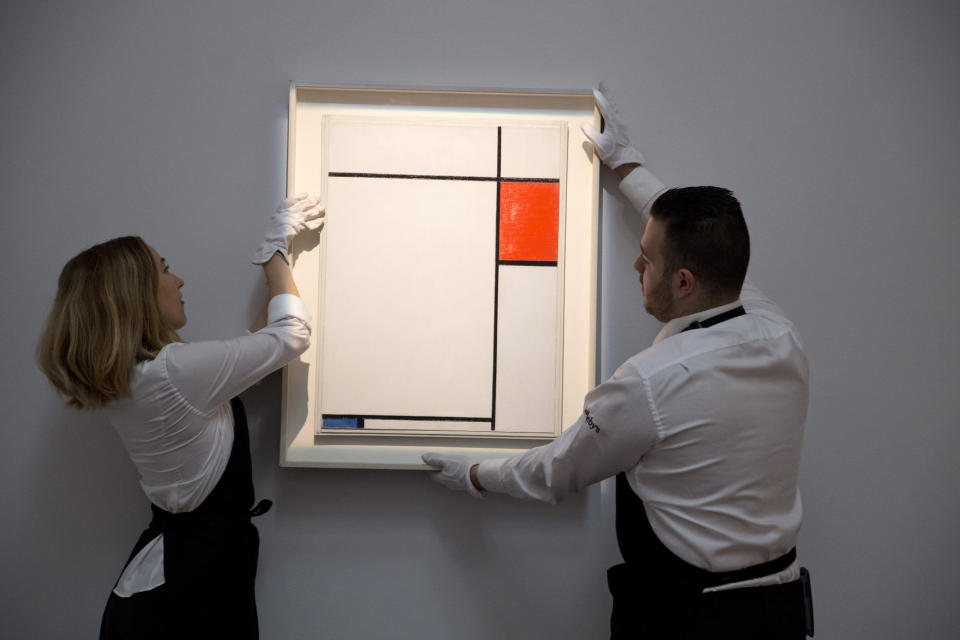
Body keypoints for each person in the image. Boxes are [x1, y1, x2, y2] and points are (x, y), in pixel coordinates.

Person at [423, 90, 814, 639]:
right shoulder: (777, 329)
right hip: (780, 614)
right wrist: (626, 163)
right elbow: (700, 241)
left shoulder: (648, 383)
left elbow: (557, 471)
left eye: (647, 258)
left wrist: (472, 475)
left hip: (691, 623)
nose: (636, 263)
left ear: (683, 282)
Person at [37, 194, 324, 639]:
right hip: (189, 594)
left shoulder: (148, 375)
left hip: (170, 585)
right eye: (166, 269)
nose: (180, 280)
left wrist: (278, 272)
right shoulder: (172, 373)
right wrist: (274, 253)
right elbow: (290, 337)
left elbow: (249, 358)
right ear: (136, 296)